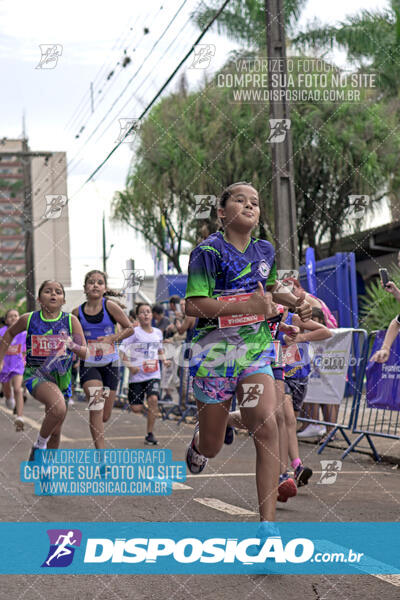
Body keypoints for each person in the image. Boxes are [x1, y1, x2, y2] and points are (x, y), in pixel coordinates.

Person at [184, 181, 312, 534]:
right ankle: (205, 436)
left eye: (255, 201)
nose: (250, 205)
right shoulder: (208, 253)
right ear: (222, 213)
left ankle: (267, 528)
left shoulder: (264, 251)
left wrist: (296, 300)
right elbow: (193, 305)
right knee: (211, 447)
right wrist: (247, 306)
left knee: (266, 426)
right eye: (240, 200)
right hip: (214, 355)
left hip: (254, 351)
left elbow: (271, 289)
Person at [0, 280, 87, 460]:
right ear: (40, 299)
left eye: (58, 292)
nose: (53, 294)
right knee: (58, 408)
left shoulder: (71, 321)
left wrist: (71, 344)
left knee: (55, 432)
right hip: (37, 376)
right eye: (48, 291)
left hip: (62, 380)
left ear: (63, 300)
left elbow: (85, 353)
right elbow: (9, 333)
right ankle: (39, 445)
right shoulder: (29, 319)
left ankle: (47, 474)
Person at [73, 270, 133, 449]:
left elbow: (130, 328)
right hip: (89, 364)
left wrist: (112, 338)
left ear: (104, 288)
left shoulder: (110, 307)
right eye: (91, 282)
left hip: (111, 363)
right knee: (96, 403)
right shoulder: (77, 313)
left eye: (99, 282)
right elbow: (73, 340)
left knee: (105, 415)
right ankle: (101, 455)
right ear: (85, 288)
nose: (95, 285)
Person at [282, 308, 332, 488]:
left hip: (300, 377)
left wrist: (301, 337)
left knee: (290, 425)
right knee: (287, 420)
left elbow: (325, 331)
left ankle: (228, 421)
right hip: (279, 375)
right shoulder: (267, 320)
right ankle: (296, 467)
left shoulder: (294, 318)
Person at [120, 303, 171, 445]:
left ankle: (150, 434)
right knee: (135, 408)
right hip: (136, 376)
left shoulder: (158, 333)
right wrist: (130, 367)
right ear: (138, 316)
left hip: (153, 374)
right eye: (142, 312)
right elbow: (122, 352)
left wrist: (165, 361)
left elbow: (159, 350)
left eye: (148, 311)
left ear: (151, 315)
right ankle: (150, 412)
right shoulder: (134, 332)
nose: (146, 314)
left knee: (153, 399)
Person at [0, 309, 27, 430]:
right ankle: (8, 398)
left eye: (16, 316)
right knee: (7, 392)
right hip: (4, 366)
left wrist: (26, 360)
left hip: (18, 365)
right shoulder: (2, 332)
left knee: (18, 389)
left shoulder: (24, 333)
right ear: (6, 320)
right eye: (10, 316)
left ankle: (20, 417)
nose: (14, 318)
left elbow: (27, 349)